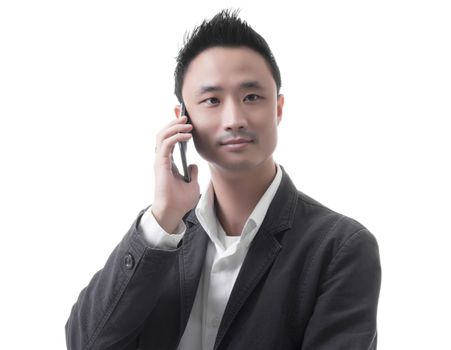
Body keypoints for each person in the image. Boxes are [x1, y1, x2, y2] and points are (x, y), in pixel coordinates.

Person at [65, 9, 381, 350]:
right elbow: (86, 343)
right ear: (182, 119)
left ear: (278, 108)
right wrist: (161, 220)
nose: (234, 119)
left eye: (252, 97)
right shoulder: (163, 236)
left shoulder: (339, 247)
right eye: (211, 100)